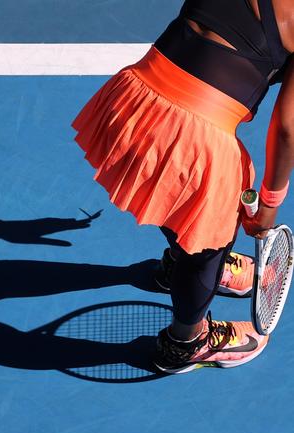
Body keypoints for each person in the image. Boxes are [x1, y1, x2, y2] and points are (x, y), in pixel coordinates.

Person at [72, 0, 294, 373]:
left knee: (178, 188)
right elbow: (288, 128)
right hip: (194, 139)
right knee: (209, 235)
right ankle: (185, 343)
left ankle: (176, 265)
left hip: (132, 104)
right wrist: (270, 201)